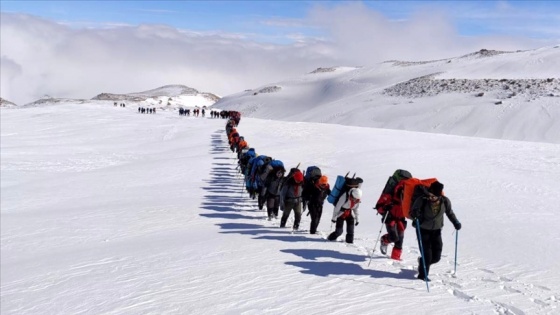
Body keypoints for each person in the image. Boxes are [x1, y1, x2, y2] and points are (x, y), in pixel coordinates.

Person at [410, 181, 461, 281]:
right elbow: (412, 212)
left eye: (433, 196)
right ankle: (422, 276)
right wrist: (416, 215)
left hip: (436, 230)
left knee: (436, 257)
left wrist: (455, 222)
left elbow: (450, 213)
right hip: (423, 230)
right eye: (429, 195)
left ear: (439, 196)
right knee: (427, 255)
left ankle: (422, 262)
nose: (430, 197)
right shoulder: (422, 200)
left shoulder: (445, 201)